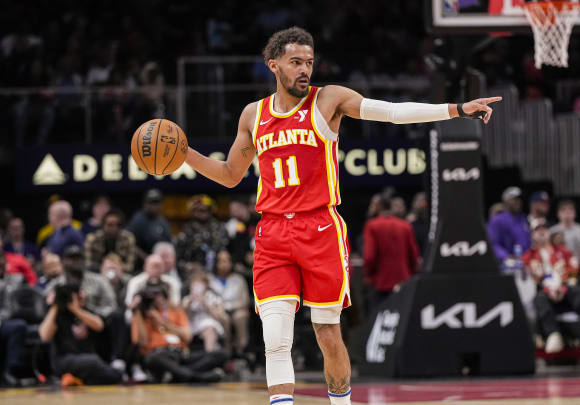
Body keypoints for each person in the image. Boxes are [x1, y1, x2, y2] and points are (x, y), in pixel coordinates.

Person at [183, 26, 501, 405]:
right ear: (274, 66)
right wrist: (184, 153)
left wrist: (456, 109)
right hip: (272, 232)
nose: (305, 69)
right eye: (295, 62)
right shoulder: (254, 115)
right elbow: (229, 174)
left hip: (319, 227)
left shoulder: (327, 100)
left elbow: (391, 113)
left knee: (327, 332)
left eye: (309, 62)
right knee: (275, 336)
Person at [130, 281, 226, 383]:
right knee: (152, 358)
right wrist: (138, 312)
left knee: (221, 354)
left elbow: (188, 337)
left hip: (180, 354)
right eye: (153, 297)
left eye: (160, 296)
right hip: (159, 354)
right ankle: (195, 376)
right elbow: (143, 343)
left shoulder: (176, 312)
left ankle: (177, 375)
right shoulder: (141, 316)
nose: (157, 300)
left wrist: (162, 322)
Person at [523, 219, 580, 353]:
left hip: (564, 287)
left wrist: (563, 287)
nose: (542, 232)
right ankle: (553, 335)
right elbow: (529, 279)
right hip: (543, 290)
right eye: (538, 230)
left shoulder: (563, 251)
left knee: (579, 292)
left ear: (549, 232)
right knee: (539, 298)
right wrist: (548, 289)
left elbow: (573, 270)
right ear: (532, 234)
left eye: (545, 229)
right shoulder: (528, 256)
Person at [38, 283, 123, 386]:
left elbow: (99, 325)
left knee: (115, 375)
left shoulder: (84, 311)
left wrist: (75, 309)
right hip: (63, 360)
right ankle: (73, 378)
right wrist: (54, 306)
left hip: (86, 358)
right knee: (94, 362)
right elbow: (44, 336)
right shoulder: (56, 314)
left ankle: (75, 379)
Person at [362, 196, 420, 313]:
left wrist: (368, 275)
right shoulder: (405, 226)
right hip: (403, 281)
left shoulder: (372, 225)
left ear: (378, 207)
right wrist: (412, 274)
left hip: (380, 283)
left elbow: (369, 256)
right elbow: (414, 255)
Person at [45, 245, 117, 319]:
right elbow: (46, 302)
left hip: (93, 322)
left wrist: (90, 309)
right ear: (64, 261)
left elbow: (111, 306)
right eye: (72, 258)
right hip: (64, 321)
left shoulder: (99, 280)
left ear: (84, 260)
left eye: (79, 258)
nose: (76, 261)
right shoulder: (56, 283)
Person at [209, 250, 250, 356]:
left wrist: (230, 306)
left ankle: (241, 349)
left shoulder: (239, 279)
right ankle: (227, 349)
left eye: (227, 261)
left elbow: (245, 300)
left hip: (237, 309)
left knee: (239, 316)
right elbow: (209, 299)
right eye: (221, 261)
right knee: (224, 318)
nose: (224, 264)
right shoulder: (210, 280)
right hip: (218, 311)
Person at [175, 195, 229, 272]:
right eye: (199, 210)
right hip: (194, 274)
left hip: (219, 272)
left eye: (206, 210)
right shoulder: (186, 231)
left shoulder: (220, 228)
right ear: (193, 211)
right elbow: (178, 259)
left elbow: (228, 251)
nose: (203, 213)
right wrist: (189, 266)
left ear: (211, 211)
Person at [125, 254, 182, 320]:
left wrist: (163, 300)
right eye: (153, 266)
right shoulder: (136, 282)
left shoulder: (171, 283)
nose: (156, 270)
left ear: (163, 268)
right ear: (145, 267)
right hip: (141, 317)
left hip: (165, 317)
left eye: (159, 266)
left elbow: (177, 305)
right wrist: (140, 300)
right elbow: (129, 304)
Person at [0, 250, 27, 386]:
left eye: (2, 261)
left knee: (18, 326)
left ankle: (10, 372)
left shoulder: (14, 280)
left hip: (4, 322)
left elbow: (10, 308)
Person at [183, 271, 228, 352]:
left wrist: (205, 303)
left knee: (209, 329)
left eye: (200, 284)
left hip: (209, 324)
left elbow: (219, 316)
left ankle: (209, 355)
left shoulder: (214, 297)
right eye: (194, 284)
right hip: (191, 326)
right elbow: (181, 314)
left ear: (206, 285)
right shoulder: (187, 299)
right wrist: (190, 301)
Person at [126, 189, 172, 266]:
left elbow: (168, 244)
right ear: (145, 204)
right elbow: (130, 244)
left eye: (156, 203)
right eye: (151, 203)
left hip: (161, 263)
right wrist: (147, 258)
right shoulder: (138, 220)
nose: (154, 206)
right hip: (141, 265)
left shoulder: (163, 221)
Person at [488, 187, 531, 265]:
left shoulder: (523, 218)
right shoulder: (497, 220)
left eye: (519, 199)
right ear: (506, 201)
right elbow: (493, 244)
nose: (518, 202)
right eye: (514, 199)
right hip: (507, 262)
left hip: (526, 261)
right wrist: (506, 256)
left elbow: (527, 241)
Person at [84, 209, 136, 273]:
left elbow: (130, 266)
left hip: (121, 273)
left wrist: (115, 267)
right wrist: (105, 267)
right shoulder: (92, 239)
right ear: (103, 225)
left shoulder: (128, 238)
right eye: (110, 225)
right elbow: (87, 263)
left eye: (118, 225)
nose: (114, 228)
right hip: (97, 272)